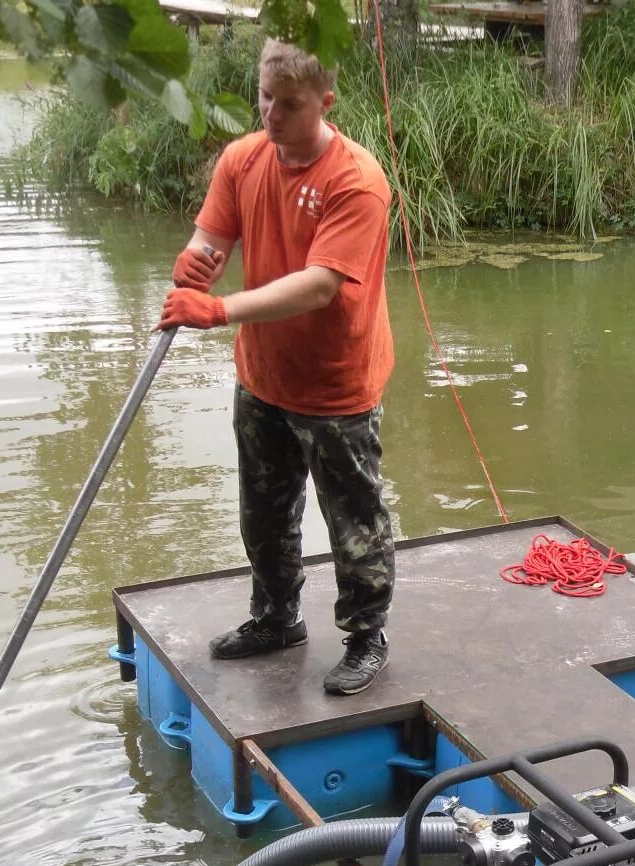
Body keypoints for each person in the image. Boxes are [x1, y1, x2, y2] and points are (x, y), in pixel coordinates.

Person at [157, 39, 395, 696]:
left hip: (336, 384)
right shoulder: (242, 161)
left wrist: (218, 308)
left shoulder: (357, 180)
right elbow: (212, 235)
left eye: (288, 105)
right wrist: (194, 261)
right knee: (262, 511)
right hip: (262, 376)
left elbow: (319, 284)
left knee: (353, 518)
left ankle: (365, 635)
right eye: (265, 98)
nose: (271, 115)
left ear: (325, 101)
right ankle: (276, 618)